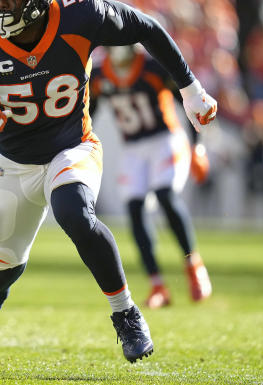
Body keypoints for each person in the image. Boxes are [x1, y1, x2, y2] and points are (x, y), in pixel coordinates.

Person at [0, 0, 217, 369]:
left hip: (72, 146)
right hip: (13, 163)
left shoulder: (80, 16)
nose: (0, 6)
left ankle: (126, 313)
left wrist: (190, 88)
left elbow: (146, 27)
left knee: (74, 212)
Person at [90, 45, 213, 309]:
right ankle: (157, 285)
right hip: (133, 148)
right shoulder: (100, 74)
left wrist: (197, 147)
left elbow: (190, 101)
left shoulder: (153, 67)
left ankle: (194, 264)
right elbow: (89, 112)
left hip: (165, 140)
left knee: (165, 195)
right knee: (134, 208)